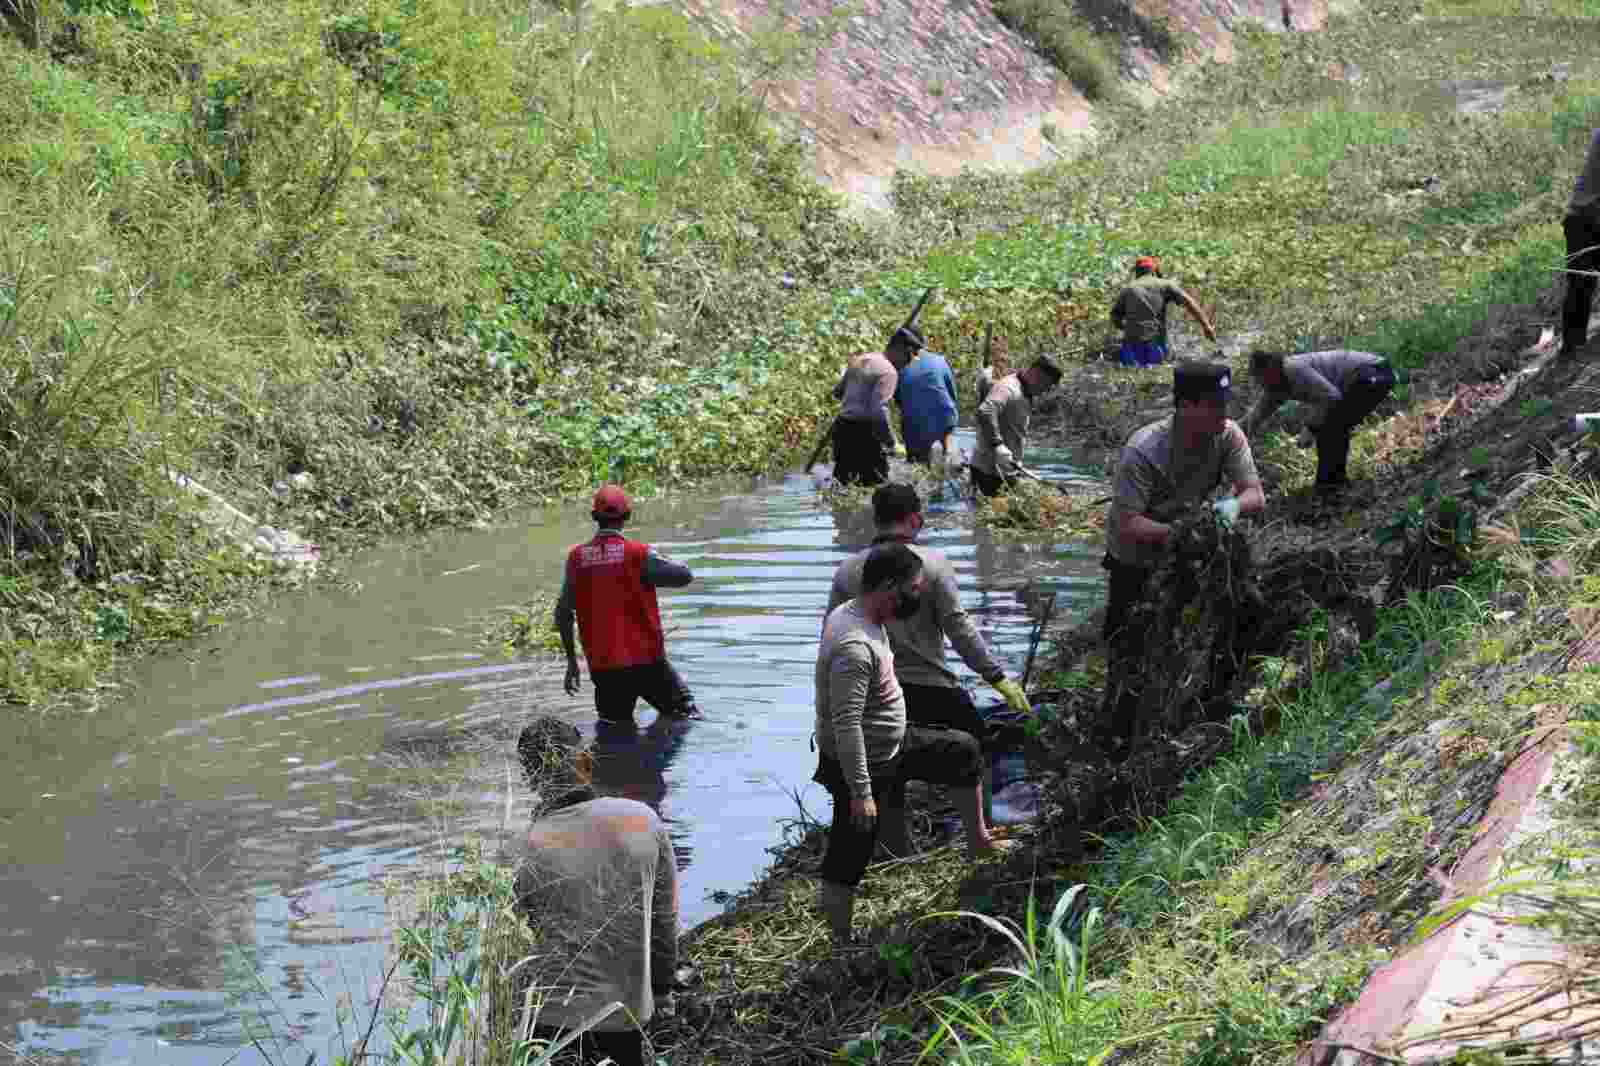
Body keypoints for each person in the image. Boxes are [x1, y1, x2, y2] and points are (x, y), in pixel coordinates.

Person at [813, 543, 1013, 944]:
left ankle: (978, 842)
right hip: (863, 760)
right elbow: (847, 723)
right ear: (890, 586)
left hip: (891, 745)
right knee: (850, 850)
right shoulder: (855, 644)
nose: (919, 596)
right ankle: (839, 939)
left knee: (962, 750)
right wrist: (861, 792)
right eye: (915, 588)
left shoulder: (862, 615)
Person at [826, 483, 1033, 854]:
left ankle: (893, 849)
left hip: (874, 691)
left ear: (876, 519)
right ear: (915, 519)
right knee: (975, 748)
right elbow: (959, 628)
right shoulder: (932, 565)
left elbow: (832, 636)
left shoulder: (846, 570)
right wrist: (997, 677)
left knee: (888, 767)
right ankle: (981, 833)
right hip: (930, 686)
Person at [513, 716, 678, 1066]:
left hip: (548, 1022)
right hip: (625, 1015)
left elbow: (516, 944)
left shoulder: (524, 845)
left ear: (530, 780)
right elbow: (664, 921)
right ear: (586, 761)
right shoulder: (643, 819)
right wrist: (662, 992)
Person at [1101, 361, 1265, 649]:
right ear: (1186, 406)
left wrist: (1233, 506)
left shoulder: (1228, 435)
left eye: (1225, 404)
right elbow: (1128, 524)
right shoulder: (1143, 450)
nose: (1224, 414)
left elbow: (1254, 494)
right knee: (1125, 637)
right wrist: (1179, 533)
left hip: (1188, 542)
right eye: (1215, 405)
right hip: (1136, 552)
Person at [555, 485, 704, 724]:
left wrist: (572, 662)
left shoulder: (576, 558)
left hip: (604, 668)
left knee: (613, 730)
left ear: (595, 517)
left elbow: (563, 613)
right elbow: (684, 576)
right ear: (627, 516)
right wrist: (656, 559)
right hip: (648, 663)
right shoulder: (639, 554)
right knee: (686, 716)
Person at [1241, 349, 1396, 493]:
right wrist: (1228, 434)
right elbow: (1254, 417)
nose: (1261, 385)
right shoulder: (1275, 386)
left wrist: (1310, 427)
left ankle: (1331, 486)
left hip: (1374, 371)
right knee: (1331, 423)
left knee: (1331, 425)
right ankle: (1331, 484)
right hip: (1365, 375)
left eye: (1261, 379)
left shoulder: (1293, 369)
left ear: (1271, 369)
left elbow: (1331, 396)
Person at [830, 325, 921, 486]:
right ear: (900, 349)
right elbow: (878, 412)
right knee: (875, 487)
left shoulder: (861, 360)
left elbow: (837, 392)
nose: (908, 363)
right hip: (864, 434)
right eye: (909, 356)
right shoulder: (889, 372)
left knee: (843, 484)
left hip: (842, 429)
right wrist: (892, 443)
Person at [970, 354, 1064, 497]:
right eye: (1045, 385)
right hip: (987, 473)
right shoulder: (1008, 388)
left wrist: (1016, 457)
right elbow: (985, 411)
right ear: (1035, 374)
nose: (1044, 390)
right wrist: (998, 445)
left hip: (1006, 471)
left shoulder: (1025, 392)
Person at [1109, 256, 1217, 368]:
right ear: (1154, 270)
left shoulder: (1128, 288)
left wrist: (1124, 327)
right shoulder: (1165, 285)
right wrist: (1206, 326)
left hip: (1130, 350)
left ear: (1136, 272)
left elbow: (1115, 317)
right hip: (1156, 348)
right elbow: (1190, 303)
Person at [1562, 128, 1600, 360]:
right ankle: (1571, 352)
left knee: (1580, 288)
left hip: (1582, 217)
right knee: (1580, 287)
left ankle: (1572, 350)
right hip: (1585, 218)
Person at [894, 344, 959, 465]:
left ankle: (918, 465)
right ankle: (948, 457)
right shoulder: (940, 360)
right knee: (947, 459)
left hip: (914, 425)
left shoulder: (901, 367)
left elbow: (899, 400)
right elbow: (952, 394)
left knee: (918, 465)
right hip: (944, 419)